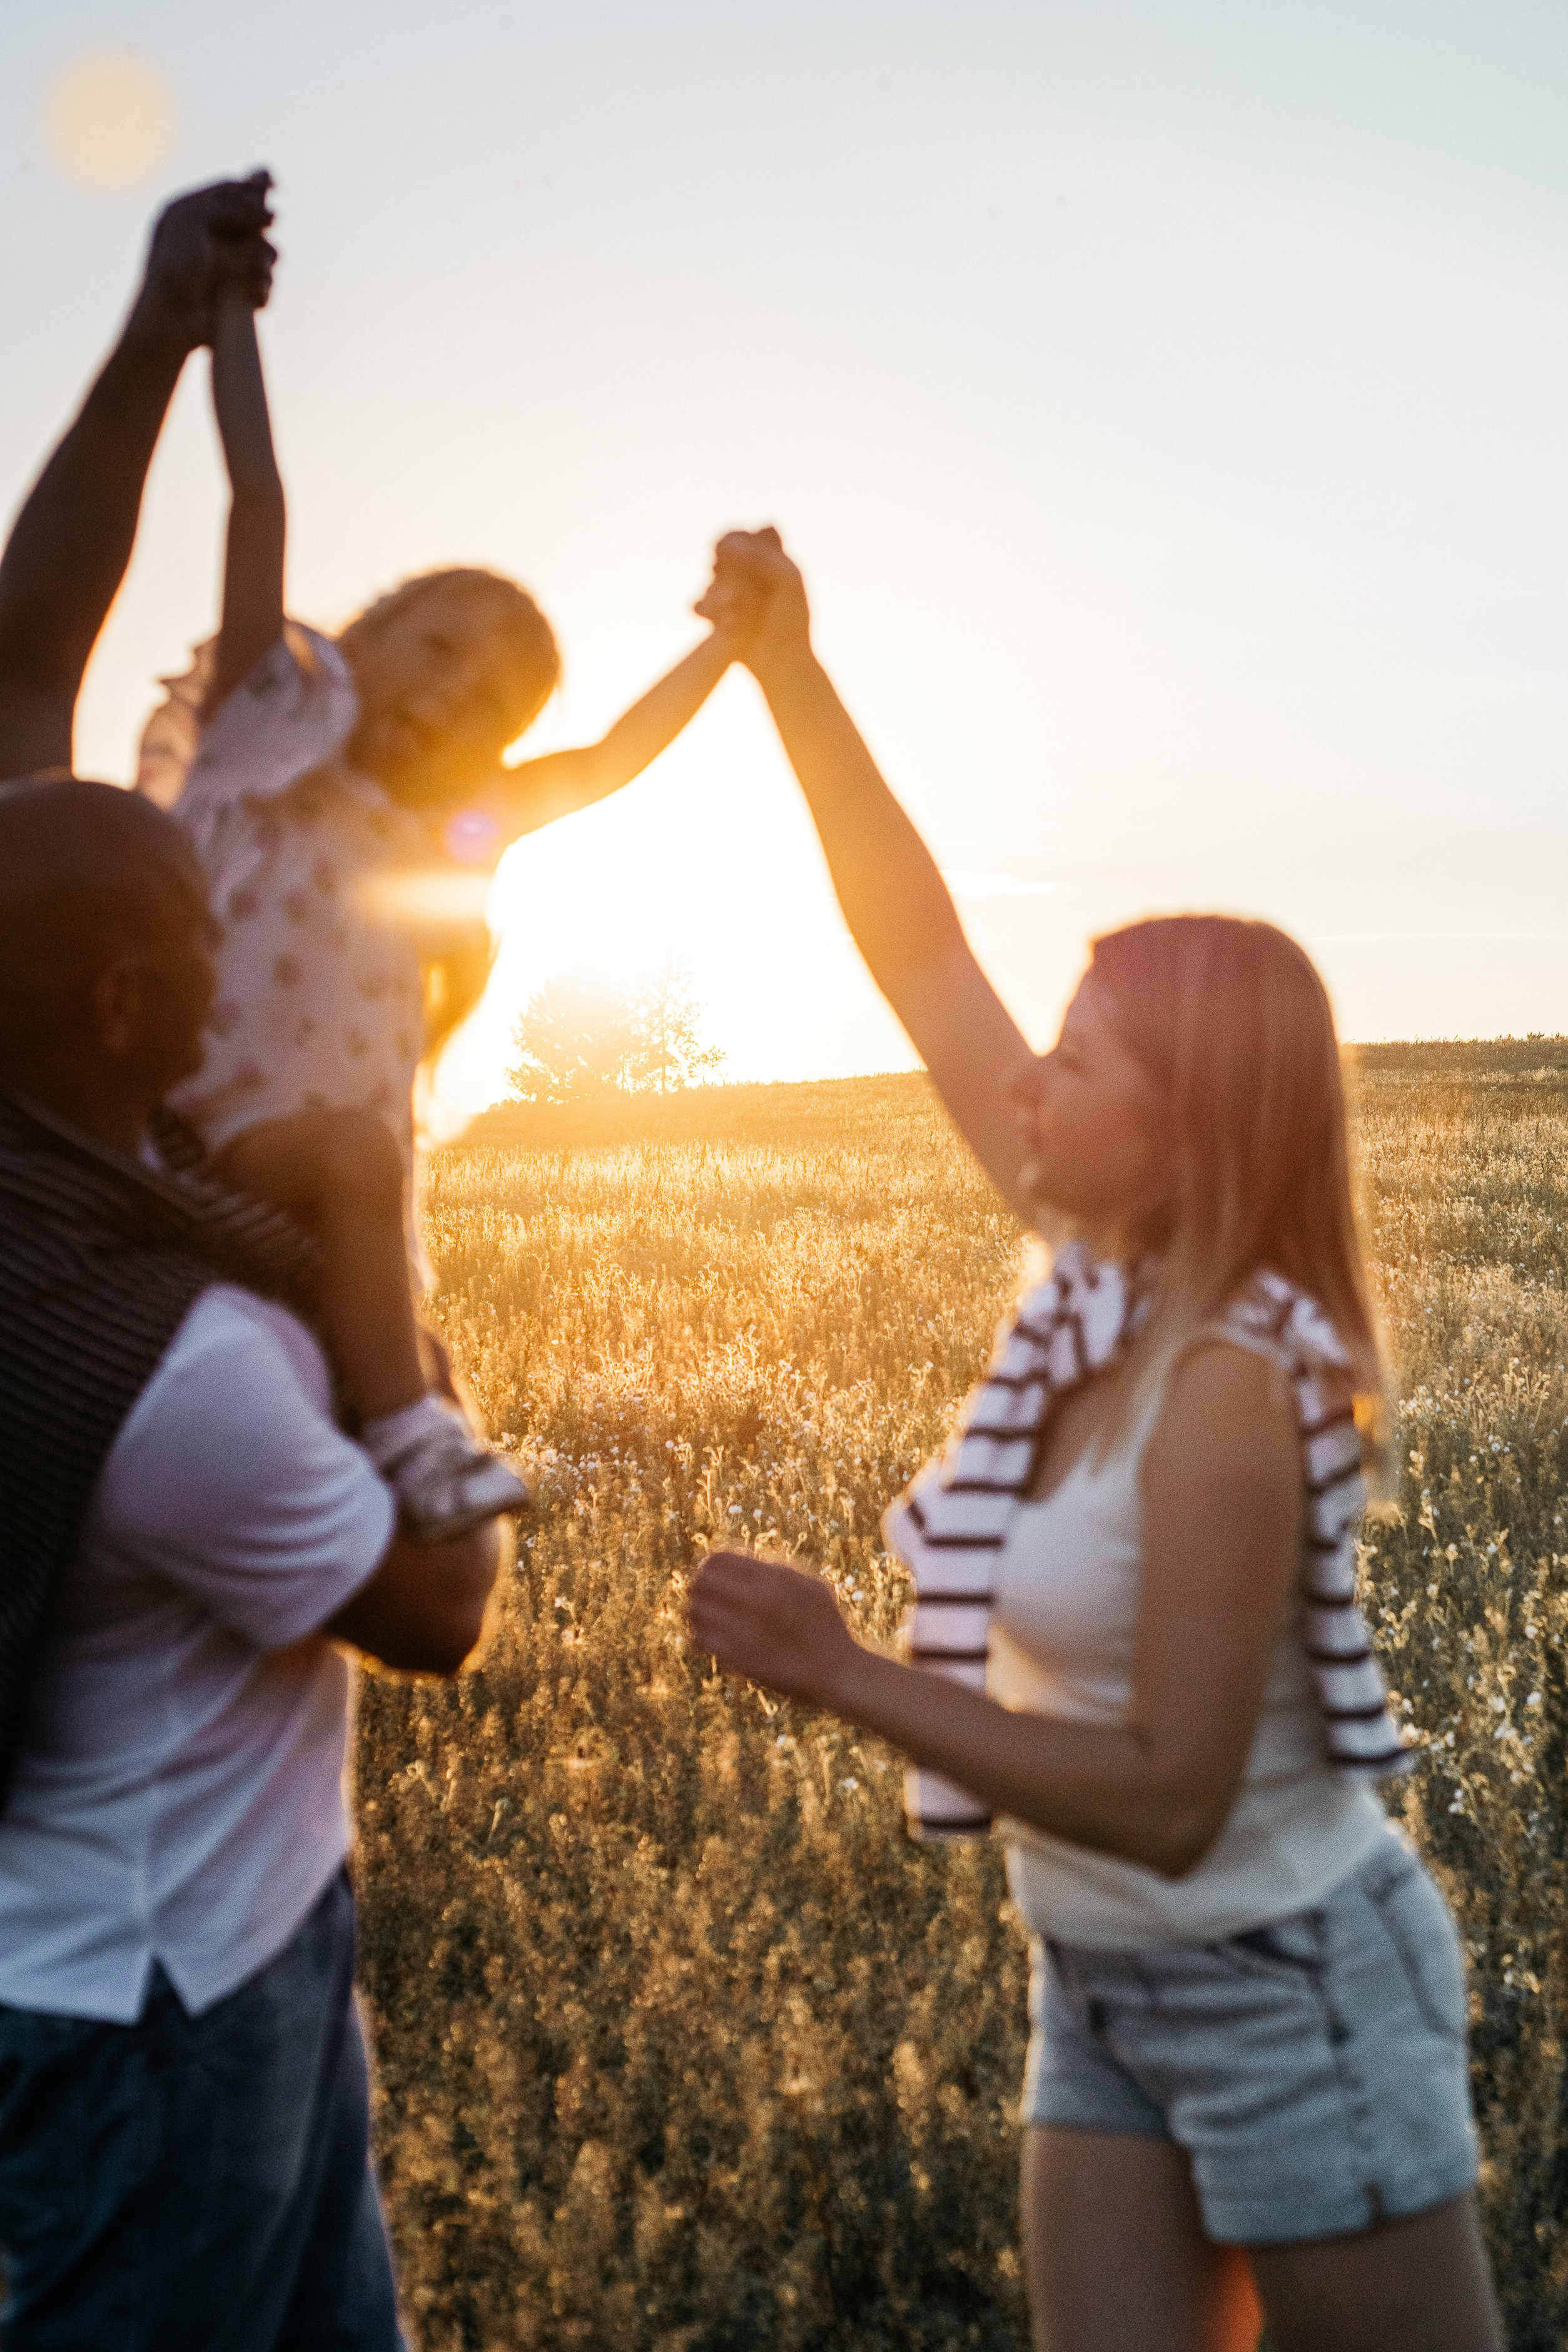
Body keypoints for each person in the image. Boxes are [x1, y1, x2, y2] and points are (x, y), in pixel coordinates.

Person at [687, 530, 1504, 2352]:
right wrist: (789, 676)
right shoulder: (1101, 1285)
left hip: (1287, 1981)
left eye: (1074, 1059)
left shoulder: (1228, 1387)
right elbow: (914, 948)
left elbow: (1169, 1791)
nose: (1026, 1083)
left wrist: (843, 1673)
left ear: (1187, 1126)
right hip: (1105, 1971)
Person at [0, 188, 503, 2351]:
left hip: (241, 1925)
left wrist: (152, 333)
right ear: (129, 1013)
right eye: (199, 939)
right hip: (158, 1997)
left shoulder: (49, 1157)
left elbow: (27, 647)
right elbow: (438, 1605)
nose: (239, 938)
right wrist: (373, 1225)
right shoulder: (176, 1351)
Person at [134, 208, 758, 1534]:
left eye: (499, 693)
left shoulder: (435, 838)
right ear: (362, 634)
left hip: (314, 1192)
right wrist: (225, 320)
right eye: (441, 642)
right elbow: (259, 498)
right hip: (184, 1144)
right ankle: (416, 1441)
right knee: (358, 1186)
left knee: (353, 1309)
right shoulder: (260, 740)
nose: (463, 686)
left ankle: (397, 1437)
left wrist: (731, 647)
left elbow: (609, 763)